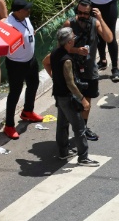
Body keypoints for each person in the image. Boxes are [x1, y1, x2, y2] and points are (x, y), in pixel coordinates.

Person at [43, 27, 100, 166]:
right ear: (68, 42)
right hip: (67, 97)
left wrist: (55, 79)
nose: (74, 39)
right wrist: (82, 99)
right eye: (73, 38)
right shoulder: (67, 60)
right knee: (79, 127)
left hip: (58, 94)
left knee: (62, 124)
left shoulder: (55, 53)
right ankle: (83, 157)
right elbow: (71, 83)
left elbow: (46, 62)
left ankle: (63, 152)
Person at [60, 0, 114, 144]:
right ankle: (67, 133)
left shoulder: (95, 23)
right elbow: (61, 48)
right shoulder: (69, 24)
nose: (82, 16)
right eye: (80, 12)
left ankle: (83, 127)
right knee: (70, 101)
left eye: (86, 13)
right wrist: (77, 50)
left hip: (89, 70)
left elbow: (109, 38)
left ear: (91, 13)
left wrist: (101, 18)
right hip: (73, 69)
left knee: (87, 100)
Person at [4, 0, 43, 140]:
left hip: (30, 60)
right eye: (27, 9)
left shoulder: (25, 17)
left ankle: (27, 111)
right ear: (19, 11)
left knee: (34, 84)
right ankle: (9, 125)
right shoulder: (8, 25)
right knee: (15, 93)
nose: (29, 10)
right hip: (16, 64)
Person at [80, 0, 119, 82]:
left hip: (109, 4)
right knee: (97, 33)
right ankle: (102, 60)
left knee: (110, 34)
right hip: (93, 3)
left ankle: (115, 67)